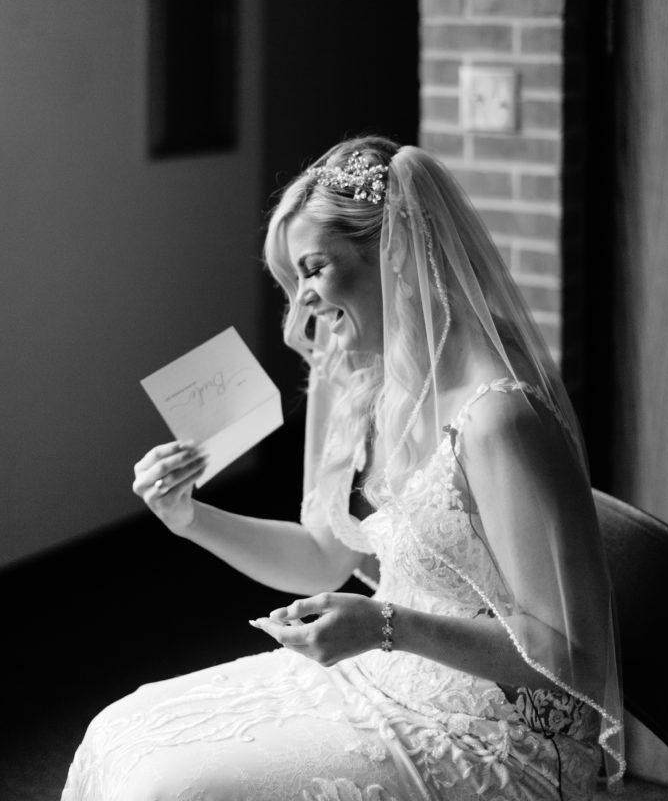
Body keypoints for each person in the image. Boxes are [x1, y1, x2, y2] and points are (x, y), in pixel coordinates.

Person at [62, 136, 624, 801]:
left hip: (505, 733)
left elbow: (573, 661)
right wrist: (188, 517)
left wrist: (386, 625)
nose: (301, 304)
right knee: (121, 731)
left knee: (173, 789)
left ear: (394, 251)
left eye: (312, 269)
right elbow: (321, 560)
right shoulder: (369, 384)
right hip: (386, 673)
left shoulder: (499, 419)